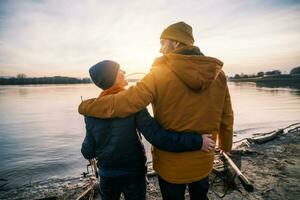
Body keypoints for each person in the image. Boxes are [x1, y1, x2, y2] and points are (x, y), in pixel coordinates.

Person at [79, 21, 234, 200]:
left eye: (163, 42)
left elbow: (126, 102)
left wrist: (86, 107)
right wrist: (226, 145)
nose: (160, 49)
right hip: (203, 157)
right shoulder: (218, 74)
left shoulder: (159, 74)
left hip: (170, 164)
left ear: (176, 42)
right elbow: (226, 114)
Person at [81, 60, 216, 200]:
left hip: (107, 175)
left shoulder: (92, 111)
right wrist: (197, 141)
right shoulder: (133, 105)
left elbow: (88, 151)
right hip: (133, 173)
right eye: (120, 70)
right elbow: (157, 137)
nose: (124, 72)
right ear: (111, 78)